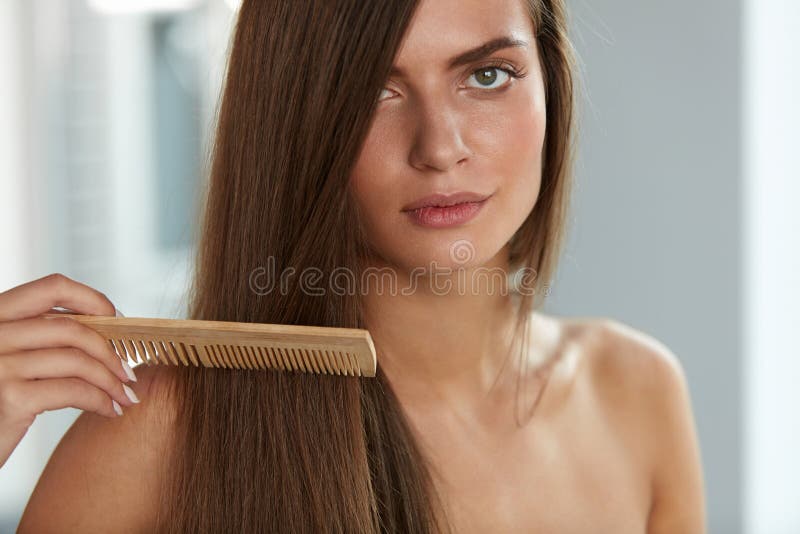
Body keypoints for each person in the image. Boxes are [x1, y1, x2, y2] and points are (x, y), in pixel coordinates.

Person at [4, 0, 706, 532]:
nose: (440, 147)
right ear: (295, 120)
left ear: (550, 83)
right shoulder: (159, 430)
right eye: (376, 90)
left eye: (487, 75)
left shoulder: (638, 391)